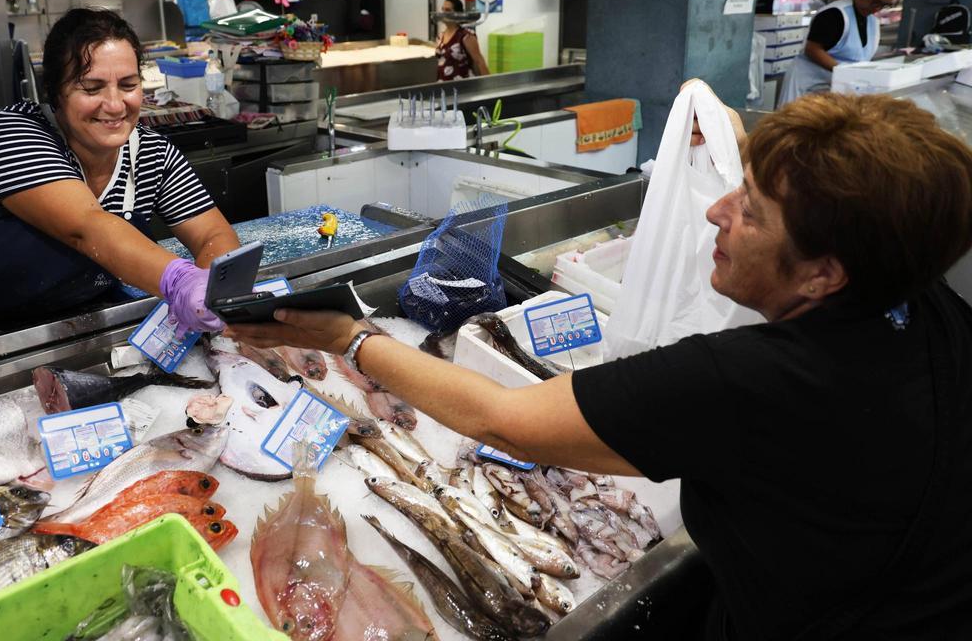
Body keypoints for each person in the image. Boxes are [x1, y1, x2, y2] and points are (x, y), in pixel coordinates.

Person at [226, 91, 972, 639]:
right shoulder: (923, 302)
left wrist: (349, 338)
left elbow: (505, 421)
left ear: (823, 274)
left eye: (751, 210)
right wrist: (739, 140)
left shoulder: (755, 381)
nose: (716, 212)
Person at [0, 8, 241, 331]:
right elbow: (86, 228)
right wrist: (178, 281)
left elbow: (213, 234)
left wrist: (207, 293)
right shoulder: (12, 135)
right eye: (91, 88)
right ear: (54, 93)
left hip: (61, 324)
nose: (115, 104)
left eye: (129, 85)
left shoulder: (153, 153)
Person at [778, 0, 904, 106]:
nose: (877, 8)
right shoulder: (834, 15)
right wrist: (846, 73)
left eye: (884, 5)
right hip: (809, 86)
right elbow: (813, 50)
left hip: (839, 89)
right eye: (875, 1)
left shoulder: (872, 20)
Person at [435, 0, 490, 81]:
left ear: (458, 14)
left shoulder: (466, 36)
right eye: (443, 10)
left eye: (448, 10)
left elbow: (479, 61)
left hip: (462, 85)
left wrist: (489, 84)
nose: (443, 13)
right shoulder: (440, 36)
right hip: (443, 84)